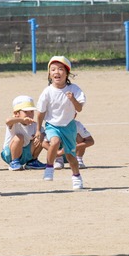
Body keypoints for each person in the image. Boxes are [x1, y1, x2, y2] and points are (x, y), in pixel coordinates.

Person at [35, 55, 86, 190]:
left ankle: (76, 177)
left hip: (69, 126)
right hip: (52, 125)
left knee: (71, 157)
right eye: (53, 69)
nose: (57, 72)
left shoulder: (74, 89)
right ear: (49, 74)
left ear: (67, 72)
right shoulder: (47, 92)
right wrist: (38, 130)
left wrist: (73, 99)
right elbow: (40, 113)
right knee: (55, 142)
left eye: (60, 69)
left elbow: (79, 108)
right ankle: (49, 167)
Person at [1, 94, 45, 171]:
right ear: (16, 113)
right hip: (9, 154)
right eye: (26, 112)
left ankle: (32, 161)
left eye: (31, 112)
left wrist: (39, 135)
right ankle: (14, 162)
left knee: (42, 137)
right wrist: (22, 120)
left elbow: (44, 133)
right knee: (19, 137)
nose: (30, 114)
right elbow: (8, 121)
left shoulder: (34, 125)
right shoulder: (14, 123)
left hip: (25, 153)